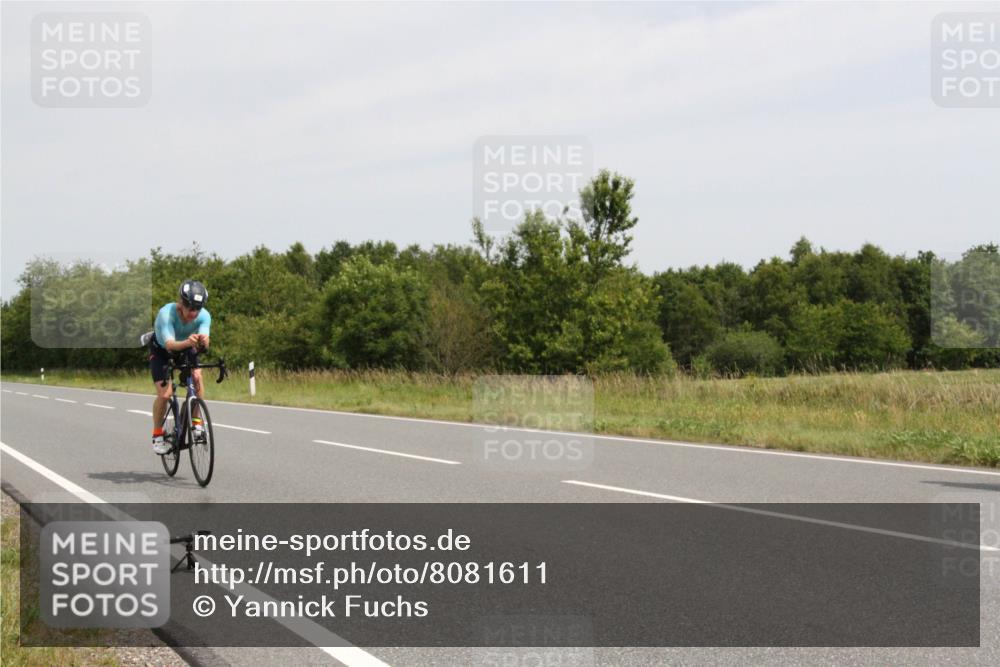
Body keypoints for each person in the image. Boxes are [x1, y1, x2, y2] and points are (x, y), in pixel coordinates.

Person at [148, 280, 212, 454]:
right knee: (165, 394)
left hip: (186, 347)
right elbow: (169, 344)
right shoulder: (166, 313)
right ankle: (158, 434)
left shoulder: (204, 315)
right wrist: (187, 342)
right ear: (181, 303)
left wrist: (204, 342)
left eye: (197, 308)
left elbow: (204, 338)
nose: (194, 313)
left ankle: (197, 423)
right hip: (163, 350)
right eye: (190, 308)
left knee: (197, 378)